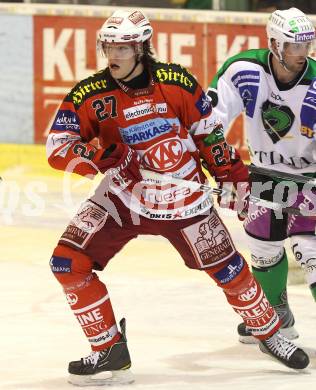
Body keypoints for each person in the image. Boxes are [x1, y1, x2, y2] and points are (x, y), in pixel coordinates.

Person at [46, 9, 309, 386]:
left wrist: (232, 177)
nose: (114, 55)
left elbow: (209, 134)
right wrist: (99, 158)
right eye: (109, 47)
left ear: (140, 47)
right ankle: (109, 349)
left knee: (230, 272)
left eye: (122, 47)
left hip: (184, 201)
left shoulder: (176, 82)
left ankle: (270, 335)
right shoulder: (91, 93)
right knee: (67, 263)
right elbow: (57, 146)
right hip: (122, 197)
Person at [208, 7, 316, 344]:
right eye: (295, 47)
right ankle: (276, 316)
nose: (304, 55)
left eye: (308, 46)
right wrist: (225, 174)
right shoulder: (243, 70)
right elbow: (209, 124)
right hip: (263, 176)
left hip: (311, 179)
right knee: (263, 247)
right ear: (274, 44)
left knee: (310, 251)